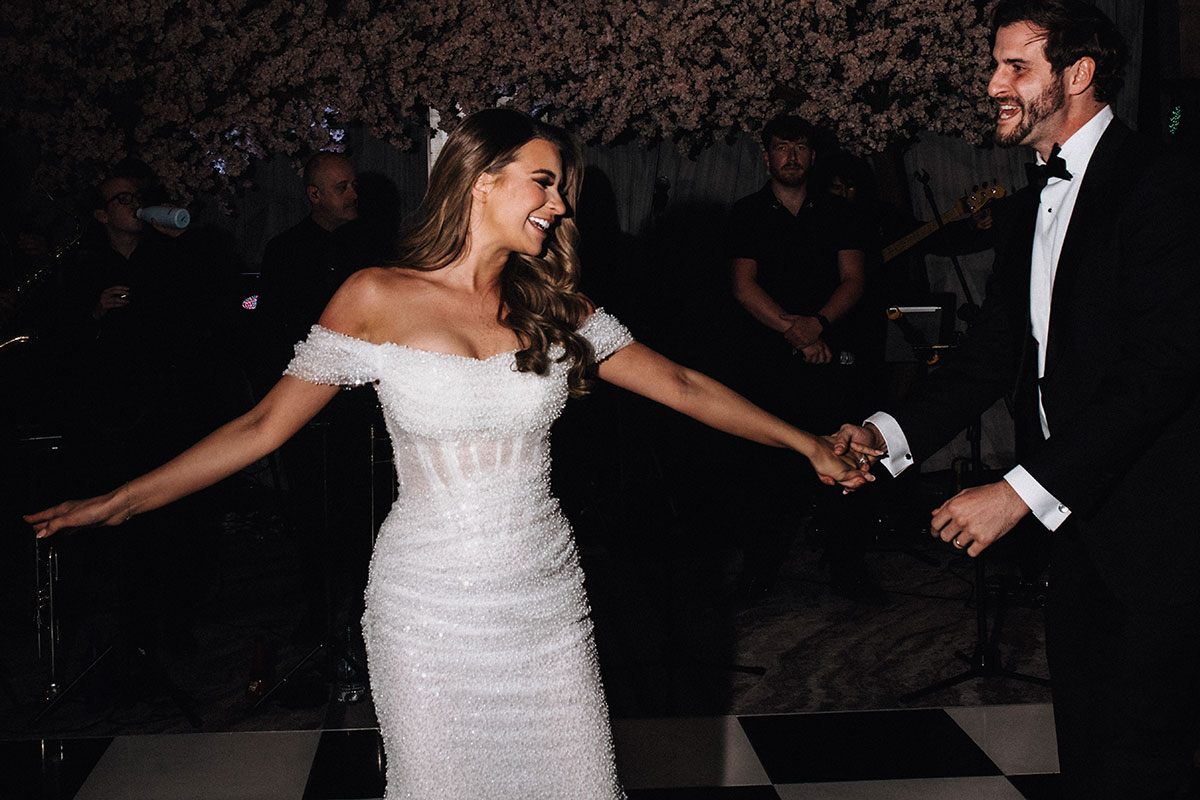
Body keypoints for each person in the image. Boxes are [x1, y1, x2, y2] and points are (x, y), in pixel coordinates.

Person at [27, 108, 876, 799]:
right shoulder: (374, 296)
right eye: (546, 182)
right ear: (481, 179)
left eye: (563, 189)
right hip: (427, 608)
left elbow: (685, 386)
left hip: (544, 601)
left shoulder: (558, 305)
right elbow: (259, 428)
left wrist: (808, 445)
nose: (560, 204)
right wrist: (121, 501)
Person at [833, 3, 1200, 797]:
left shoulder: (1162, 183)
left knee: (1151, 757)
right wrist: (883, 433)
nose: (993, 84)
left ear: (1078, 75)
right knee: (1089, 748)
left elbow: (1162, 372)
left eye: (1015, 67)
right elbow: (990, 357)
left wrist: (1017, 492)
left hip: (1157, 531)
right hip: (1075, 534)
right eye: (995, 66)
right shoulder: (1029, 202)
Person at [724, 115, 878, 600]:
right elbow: (743, 286)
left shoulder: (841, 212)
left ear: (813, 155)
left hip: (831, 353)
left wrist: (819, 325)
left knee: (842, 455)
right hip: (769, 360)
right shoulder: (745, 213)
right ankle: (759, 571)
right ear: (766, 155)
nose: (791, 155)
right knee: (767, 468)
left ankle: (848, 569)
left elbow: (853, 280)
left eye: (801, 147)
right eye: (781, 147)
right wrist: (796, 331)